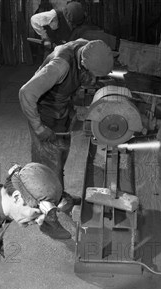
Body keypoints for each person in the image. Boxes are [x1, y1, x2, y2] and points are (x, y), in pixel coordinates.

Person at [19, 38, 114, 239]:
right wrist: (38, 127)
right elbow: (26, 93)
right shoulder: (60, 66)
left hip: (61, 112)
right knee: (46, 170)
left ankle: (60, 196)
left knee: (59, 158)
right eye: (93, 76)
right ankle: (47, 220)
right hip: (44, 117)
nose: (95, 81)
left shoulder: (87, 48)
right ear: (83, 65)